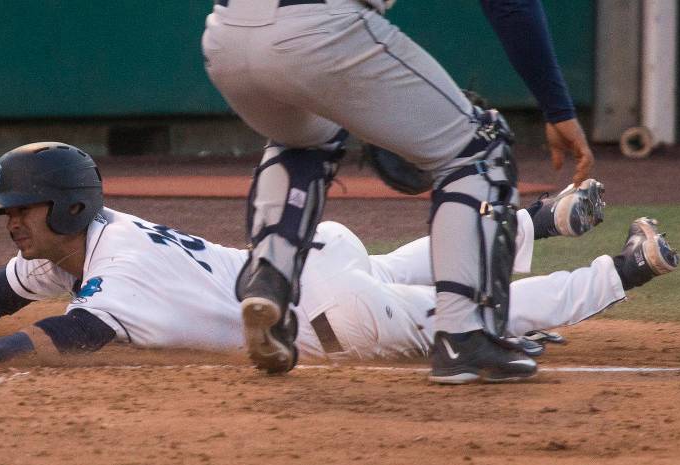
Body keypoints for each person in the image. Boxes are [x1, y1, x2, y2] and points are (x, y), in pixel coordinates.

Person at [0, 143, 679, 375]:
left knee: (465, 311)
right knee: (413, 263)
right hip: (313, 262)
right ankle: (543, 219)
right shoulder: (86, 243)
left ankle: (625, 269)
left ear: (61, 207)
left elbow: (77, 333)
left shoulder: (116, 269)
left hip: (325, 318)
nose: (8, 225)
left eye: (17, 209)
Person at [200, 0, 597, 382]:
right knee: (480, 147)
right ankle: (465, 336)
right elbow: (510, 5)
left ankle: (269, 277)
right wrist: (557, 108)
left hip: (225, 37)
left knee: (304, 139)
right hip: (319, 28)